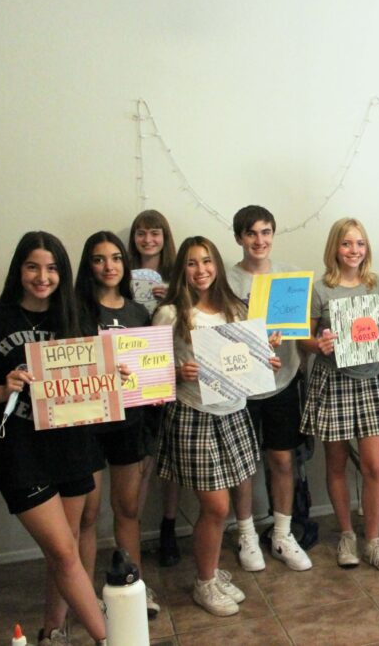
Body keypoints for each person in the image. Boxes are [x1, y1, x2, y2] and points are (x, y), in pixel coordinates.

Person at [0, 231, 107, 645]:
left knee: (66, 551)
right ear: (19, 269)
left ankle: (52, 633)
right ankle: (108, 638)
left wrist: (114, 378)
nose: (43, 276)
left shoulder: (75, 317)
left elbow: (93, 382)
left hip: (72, 446)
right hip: (20, 453)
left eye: (53, 268)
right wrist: (3, 389)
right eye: (33, 266)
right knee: (63, 553)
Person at [153, 236, 279, 616]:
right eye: (191, 263)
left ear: (217, 266)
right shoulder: (170, 313)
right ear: (182, 270)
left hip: (234, 413)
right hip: (194, 416)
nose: (201, 270)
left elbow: (249, 359)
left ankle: (210, 571)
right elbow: (149, 373)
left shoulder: (234, 309)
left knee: (223, 505)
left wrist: (265, 359)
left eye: (206, 261)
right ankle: (204, 583)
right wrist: (176, 372)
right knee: (216, 506)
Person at [299, 218, 379, 573]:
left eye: (359, 243)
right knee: (337, 465)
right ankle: (346, 534)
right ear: (335, 248)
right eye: (346, 244)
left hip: (371, 381)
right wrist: (318, 344)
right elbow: (304, 339)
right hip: (334, 383)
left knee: (374, 466)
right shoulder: (320, 290)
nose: (354, 250)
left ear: (366, 248)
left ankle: (373, 540)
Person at [73, 230, 161, 617]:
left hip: (129, 424)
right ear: (88, 265)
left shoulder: (138, 313)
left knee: (127, 509)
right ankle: (86, 596)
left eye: (115, 258)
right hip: (86, 425)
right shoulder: (74, 311)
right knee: (87, 516)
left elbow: (150, 373)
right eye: (99, 259)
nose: (108, 266)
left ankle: (134, 587)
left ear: (125, 265)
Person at [225, 205, 314, 572]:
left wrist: (315, 343)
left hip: (283, 380)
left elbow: (303, 332)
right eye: (251, 234)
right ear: (239, 238)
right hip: (240, 386)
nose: (259, 240)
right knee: (243, 465)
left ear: (273, 235)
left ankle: (282, 533)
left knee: (282, 459)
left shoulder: (291, 277)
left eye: (265, 232)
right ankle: (246, 533)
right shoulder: (225, 281)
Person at [127, 209, 182, 567]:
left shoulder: (180, 275)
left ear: (165, 236)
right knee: (142, 461)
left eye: (155, 233)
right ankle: (131, 532)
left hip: (176, 374)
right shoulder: (121, 275)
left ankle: (169, 527)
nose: (148, 240)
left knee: (172, 458)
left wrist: (173, 294)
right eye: (142, 233)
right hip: (137, 376)